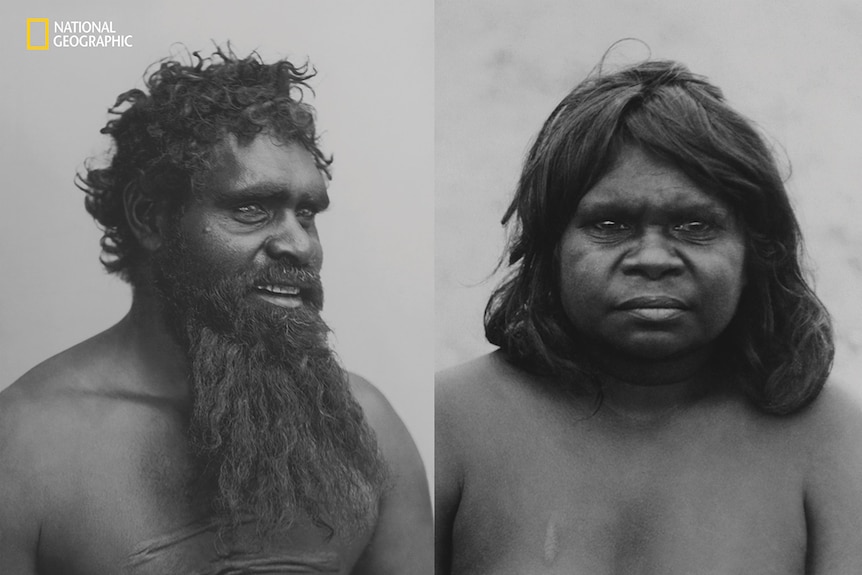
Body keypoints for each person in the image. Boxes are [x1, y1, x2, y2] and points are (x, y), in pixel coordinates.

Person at [0, 47, 432, 574]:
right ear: (151, 217)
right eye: (251, 208)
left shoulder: (372, 427)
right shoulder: (25, 446)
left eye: (308, 213)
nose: (298, 245)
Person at [436, 59, 862, 574]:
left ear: (755, 254)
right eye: (611, 224)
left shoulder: (830, 438)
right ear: (551, 250)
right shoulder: (451, 421)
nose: (653, 258)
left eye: (695, 225)